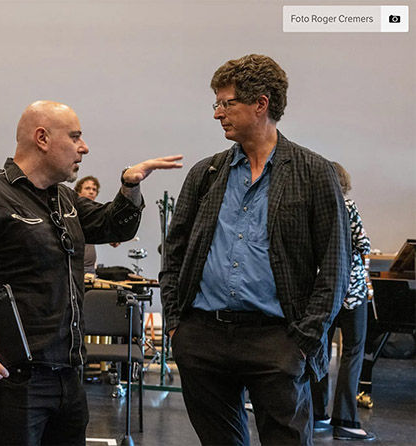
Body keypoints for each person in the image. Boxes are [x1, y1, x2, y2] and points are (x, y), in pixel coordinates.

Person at [0, 100, 182, 445]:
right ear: (42, 138)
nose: (84, 147)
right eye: (75, 137)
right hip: (16, 380)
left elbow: (113, 226)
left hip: (69, 374)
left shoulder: (64, 199)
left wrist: (130, 186)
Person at [159, 54, 350, 445]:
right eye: (216, 103)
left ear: (261, 103)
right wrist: (178, 326)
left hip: (278, 341)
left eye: (226, 103)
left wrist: (303, 342)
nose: (217, 113)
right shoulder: (206, 174)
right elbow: (174, 252)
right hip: (204, 339)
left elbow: (335, 267)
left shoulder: (313, 173)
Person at [311, 162, 375, 441]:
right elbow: (363, 244)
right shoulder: (347, 207)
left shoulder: (314, 209)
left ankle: (317, 415)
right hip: (352, 292)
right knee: (352, 351)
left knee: (320, 352)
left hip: (323, 290)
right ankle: (346, 420)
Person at [74, 175, 120, 274]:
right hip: (75, 268)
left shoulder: (94, 214)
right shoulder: (73, 212)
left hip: (90, 269)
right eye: (87, 188)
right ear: (78, 192)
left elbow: (97, 231)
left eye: (94, 189)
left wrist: (110, 238)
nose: (91, 192)